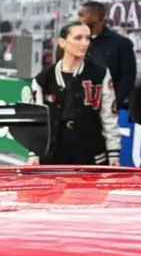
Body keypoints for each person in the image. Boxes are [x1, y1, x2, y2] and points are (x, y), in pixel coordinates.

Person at [26, 21, 121, 167]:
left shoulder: (100, 74)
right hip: (54, 155)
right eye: (78, 38)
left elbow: (109, 116)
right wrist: (34, 153)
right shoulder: (44, 78)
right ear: (63, 43)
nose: (84, 43)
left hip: (91, 154)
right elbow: (36, 120)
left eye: (87, 38)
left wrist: (113, 152)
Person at [78, 1, 136, 111]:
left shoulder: (120, 44)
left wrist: (114, 103)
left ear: (95, 17)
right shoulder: (77, 43)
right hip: (80, 107)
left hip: (107, 106)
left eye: (82, 15)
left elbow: (128, 77)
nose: (78, 20)